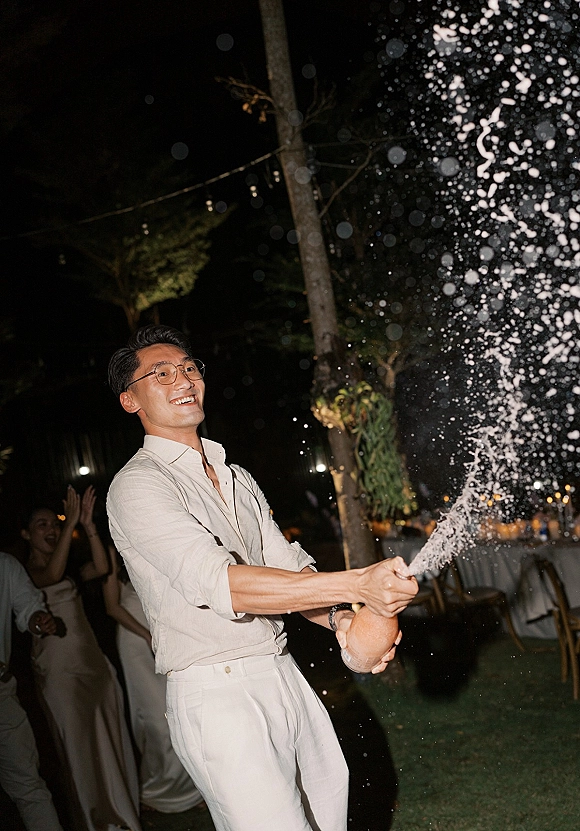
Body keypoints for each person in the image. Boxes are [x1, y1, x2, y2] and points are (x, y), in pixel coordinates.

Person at [106, 325, 418, 831]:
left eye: (188, 368)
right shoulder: (137, 486)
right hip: (218, 693)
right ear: (129, 400)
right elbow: (224, 584)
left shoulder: (235, 474)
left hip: (283, 673)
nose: (182, 379)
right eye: (159, 374)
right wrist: (357, 585)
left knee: (326, 821)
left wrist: (343, 620)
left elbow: (289, 571)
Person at [23, 487, 142, 831]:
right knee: (79, 752)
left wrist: (87, 526)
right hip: (59, 674)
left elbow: (103, 566)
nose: (51, 530)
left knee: (109, 742)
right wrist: (70, 520)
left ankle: (121, 815)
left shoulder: (68, 566)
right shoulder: (23, 574)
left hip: (93, 665)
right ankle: (95, 822)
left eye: (54, 524)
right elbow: (52, 576)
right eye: (41, 525)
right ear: (26, 534)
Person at [103, 546, 204, 813]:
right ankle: (156, 790)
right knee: (157, 720)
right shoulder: (113, 555)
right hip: (135, 642)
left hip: (164, 639)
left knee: (180, 714)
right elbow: (112, 607)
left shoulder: (152, 545)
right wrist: (147, 636)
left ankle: (189, 788)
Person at [0, 551, 63, 831]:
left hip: (2, 694)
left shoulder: (5, 565)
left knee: (29, 786)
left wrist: (38, 619)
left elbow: (28, 607)